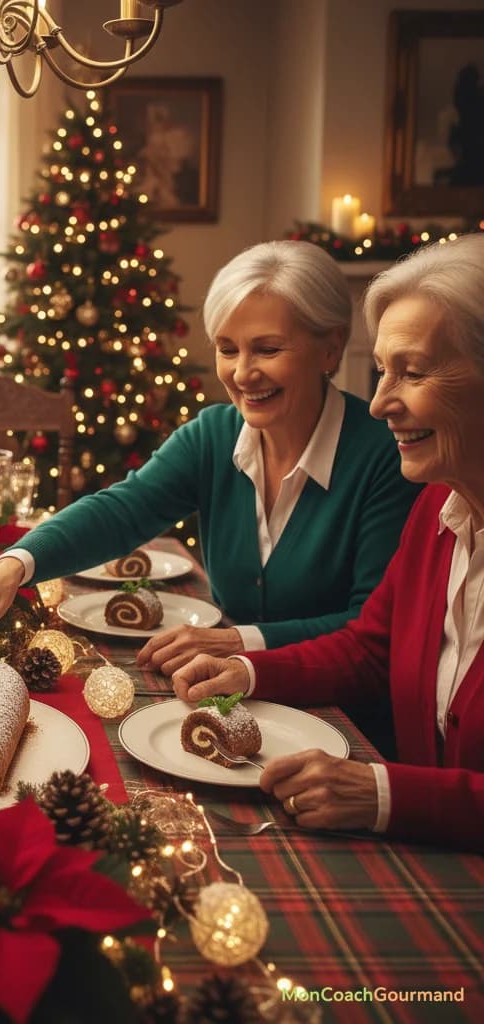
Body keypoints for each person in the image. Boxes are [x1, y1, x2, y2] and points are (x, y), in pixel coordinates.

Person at [0, 241, 421, 672]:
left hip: (344, 719)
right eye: (227, 349)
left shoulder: (386, 456)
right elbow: (121, 511)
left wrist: (239, 642)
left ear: (331, 348)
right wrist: (12, 566)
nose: (243, 373)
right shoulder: (212, 435)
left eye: (268, 349)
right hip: (233, 691)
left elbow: (371, 629)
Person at [172, 233, 484, 851]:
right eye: (383, 371)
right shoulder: (437, 509)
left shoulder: (397, 481)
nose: (380, 403)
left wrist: (385, 795)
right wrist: (245, 671)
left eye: (412, 372)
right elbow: (371, 649)